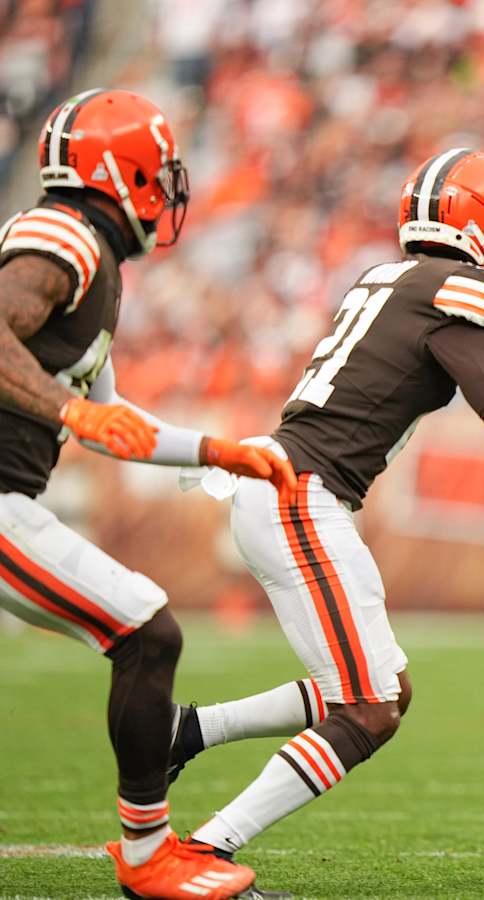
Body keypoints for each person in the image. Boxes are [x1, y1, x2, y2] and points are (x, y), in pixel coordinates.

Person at [167, 149, 484, 871]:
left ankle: (187, 734)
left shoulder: (392, 277)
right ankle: (208, 849)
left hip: (286, 486)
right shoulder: (460, 288)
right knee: (370, 707)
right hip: (301, 494)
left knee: (380, 688)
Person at [0, 89, 297, 900]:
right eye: (156, 175)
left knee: (146, 629)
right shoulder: (62, 233)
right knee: (145, 631)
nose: (165, 192)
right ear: (121, 171)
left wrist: (217, 451)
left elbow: (113, 418)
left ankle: (147, 853)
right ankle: (147, 854)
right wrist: (69, 407)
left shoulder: (92, 257)